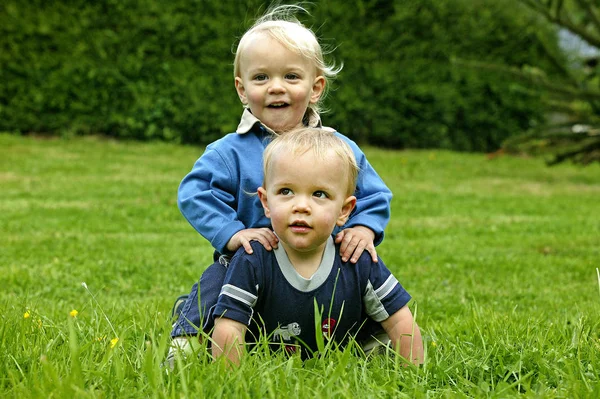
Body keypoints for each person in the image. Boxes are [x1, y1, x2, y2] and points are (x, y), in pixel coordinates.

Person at [169, 4, 393, 357]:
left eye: (291, 77)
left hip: (321, 259)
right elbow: (195, 193)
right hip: (251, 262)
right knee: (216, 282)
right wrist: (232, 233)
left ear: (315, 87)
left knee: (363, 276)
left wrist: (364, 228)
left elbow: (373, 195)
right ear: (242, 90)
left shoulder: (337, 149)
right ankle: (189, 338)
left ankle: (370, 337)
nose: (276, 88)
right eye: (261, 78)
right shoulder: (229, 152)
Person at [211, 128, 424, 365]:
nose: (301, 206)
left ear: (344, 210)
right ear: (266, 202)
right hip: (272, 366)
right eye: (286, 191)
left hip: (342, 363)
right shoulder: (253, 258)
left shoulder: (355, 257)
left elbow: (399, 321)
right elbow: (229, 325)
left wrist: (413, 374)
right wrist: (232, 382)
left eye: (319, 194)